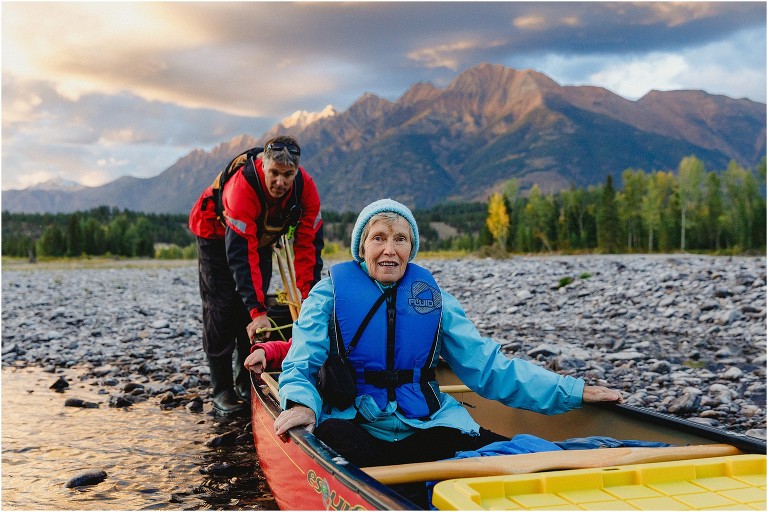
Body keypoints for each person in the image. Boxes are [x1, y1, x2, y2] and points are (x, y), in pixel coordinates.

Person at [274, 198, 622, 473]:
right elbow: (301, 362)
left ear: (412, 249)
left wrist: (573, 390)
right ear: (361, 248)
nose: (390, 250)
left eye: (400, 239)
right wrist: (303, 404)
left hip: (425, 424)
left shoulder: (434, 300)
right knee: (336, 441)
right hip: (357, 424)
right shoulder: (328, 295)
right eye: (378, 238)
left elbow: (488, 368)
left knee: (513, 453)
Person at [188, 135, 323, 417]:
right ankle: (221, 389)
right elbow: (240, 255)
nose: (280, 182)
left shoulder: (306, 189)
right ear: (263, 165)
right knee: (223, 306)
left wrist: (309, 300)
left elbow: (308, 246)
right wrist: (257, 310)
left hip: (260, 237)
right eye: (274, 173)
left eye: (288, 175)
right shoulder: (242, 187)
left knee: (251, 308)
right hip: (214, 234)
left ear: (296, 172)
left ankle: (245, 379)